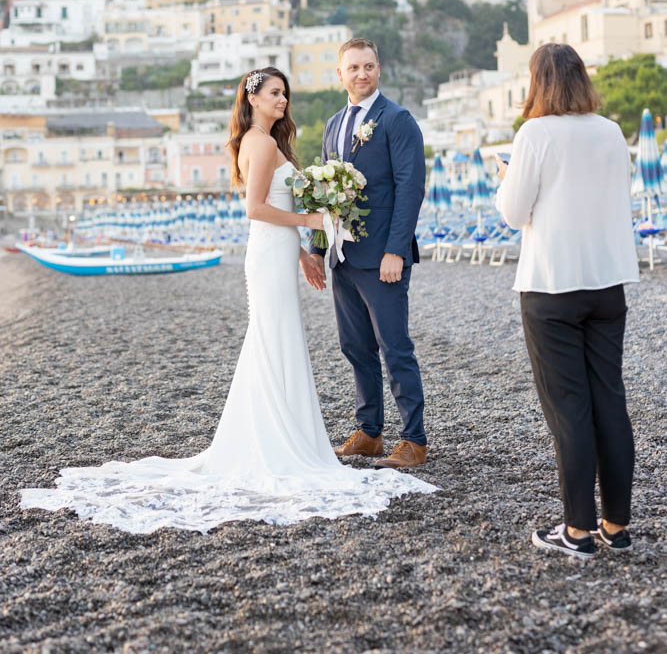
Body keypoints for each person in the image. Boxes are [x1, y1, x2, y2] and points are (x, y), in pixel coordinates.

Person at [21, 67, 436, 532]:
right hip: (269, 254)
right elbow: (255, 210)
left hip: (281, 253)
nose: (283, 101)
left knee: (279, 341)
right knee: (275, 340)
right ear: (253, 97)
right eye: (275, 93)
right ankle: (281, 439)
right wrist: (313, 224)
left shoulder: (268, 140)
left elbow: (274, 210)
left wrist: (302, 251)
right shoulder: (259, 143)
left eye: (285, 94)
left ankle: (311, 434)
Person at [495, 43, 639, 559]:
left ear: (538, 82)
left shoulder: (535, 133)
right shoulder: (609, 130)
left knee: (569, 411)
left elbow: (513, 213)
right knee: (610, 402)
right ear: (581, 78)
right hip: (607, 283)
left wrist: (503, 179)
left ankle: (576, 532)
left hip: (552, 285)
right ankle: (615, 526)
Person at [309, 38, 428, 470]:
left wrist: (396, 251)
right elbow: (324, 194)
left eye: (369, 66)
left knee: (394, 348)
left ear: (380, 69)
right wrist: (315, 250)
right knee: (355, 347)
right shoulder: (333, 123)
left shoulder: (397, 120)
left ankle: (414, 440)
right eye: (354, 67)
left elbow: (410, 189)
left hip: (383, 259)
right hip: (343, 258)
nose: (362, 74)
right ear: (339, 74)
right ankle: (370, 432)